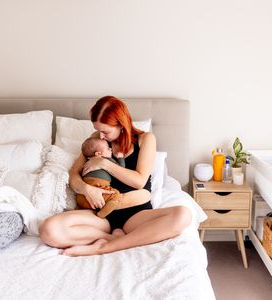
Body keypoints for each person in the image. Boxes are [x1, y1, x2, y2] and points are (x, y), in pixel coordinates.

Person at [40, 96, 191, 256]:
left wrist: (105, 163)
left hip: (135, 213)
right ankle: (109, 238)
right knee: (48, 230)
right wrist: (87, 189)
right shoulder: (97, 140)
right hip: (100, 213)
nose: (101, 135)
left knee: (183, 215)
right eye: (98, 130)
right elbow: (73, 176)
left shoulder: (146, 139)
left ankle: (104, 247)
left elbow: (139, 181)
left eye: (105, 131)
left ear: (120, 124)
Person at [76, 137, 126, 218]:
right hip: (99, 189)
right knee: (116, 195)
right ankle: (101, 214)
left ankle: (78, 209)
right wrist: (120, 158)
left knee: (82, 206)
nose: (110, 149)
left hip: (82, 196)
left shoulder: (87, 163)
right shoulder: (106, 159)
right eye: (107, 148)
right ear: (98, 154)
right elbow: (121, 169)